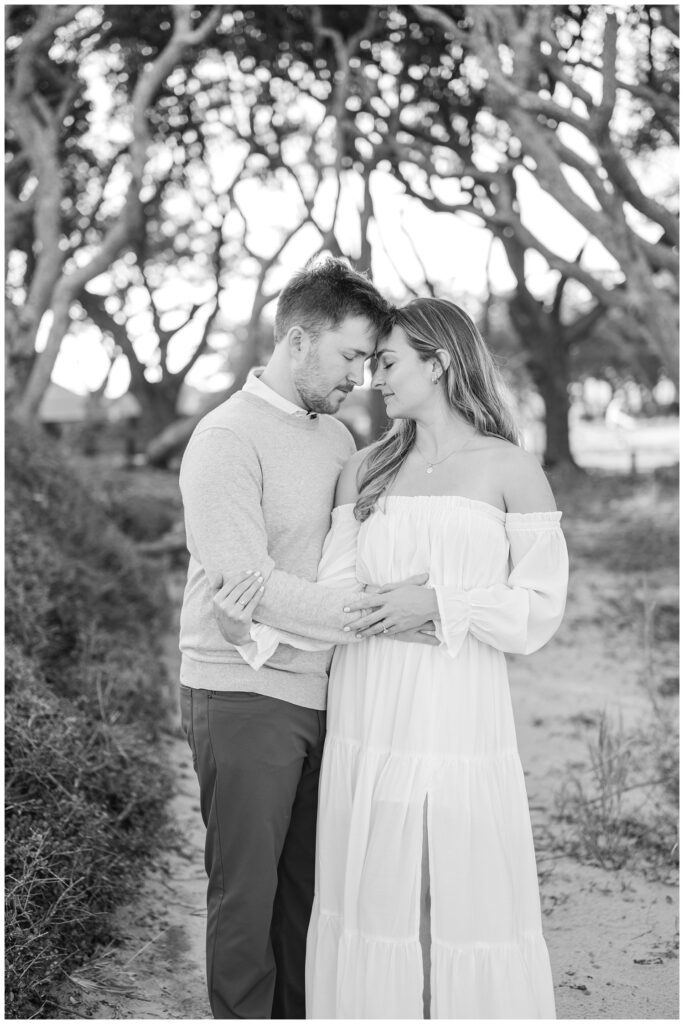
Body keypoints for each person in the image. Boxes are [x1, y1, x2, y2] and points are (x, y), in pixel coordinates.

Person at [215, 297, 569, 1019]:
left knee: (457, 890)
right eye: (370, 361)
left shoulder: (511, 468)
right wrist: (257, 633)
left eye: (389, 361)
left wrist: (439, 603)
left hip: (462, 709)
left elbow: (538, 607)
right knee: (380, 894)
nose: (375, 377)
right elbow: (338, 596)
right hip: (371, 708)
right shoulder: (366, 469)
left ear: (439, 362)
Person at [177, 256, 433, 1020]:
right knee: (246, 895)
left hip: (326, 692)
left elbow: (326, 564)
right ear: (297, 341)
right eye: (352, 355)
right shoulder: (224, 437)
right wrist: (376, 615)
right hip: (241, 689)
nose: (362, 376)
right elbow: (243, 581)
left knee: (306, 895)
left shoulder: (334, 438)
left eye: (369, 360)